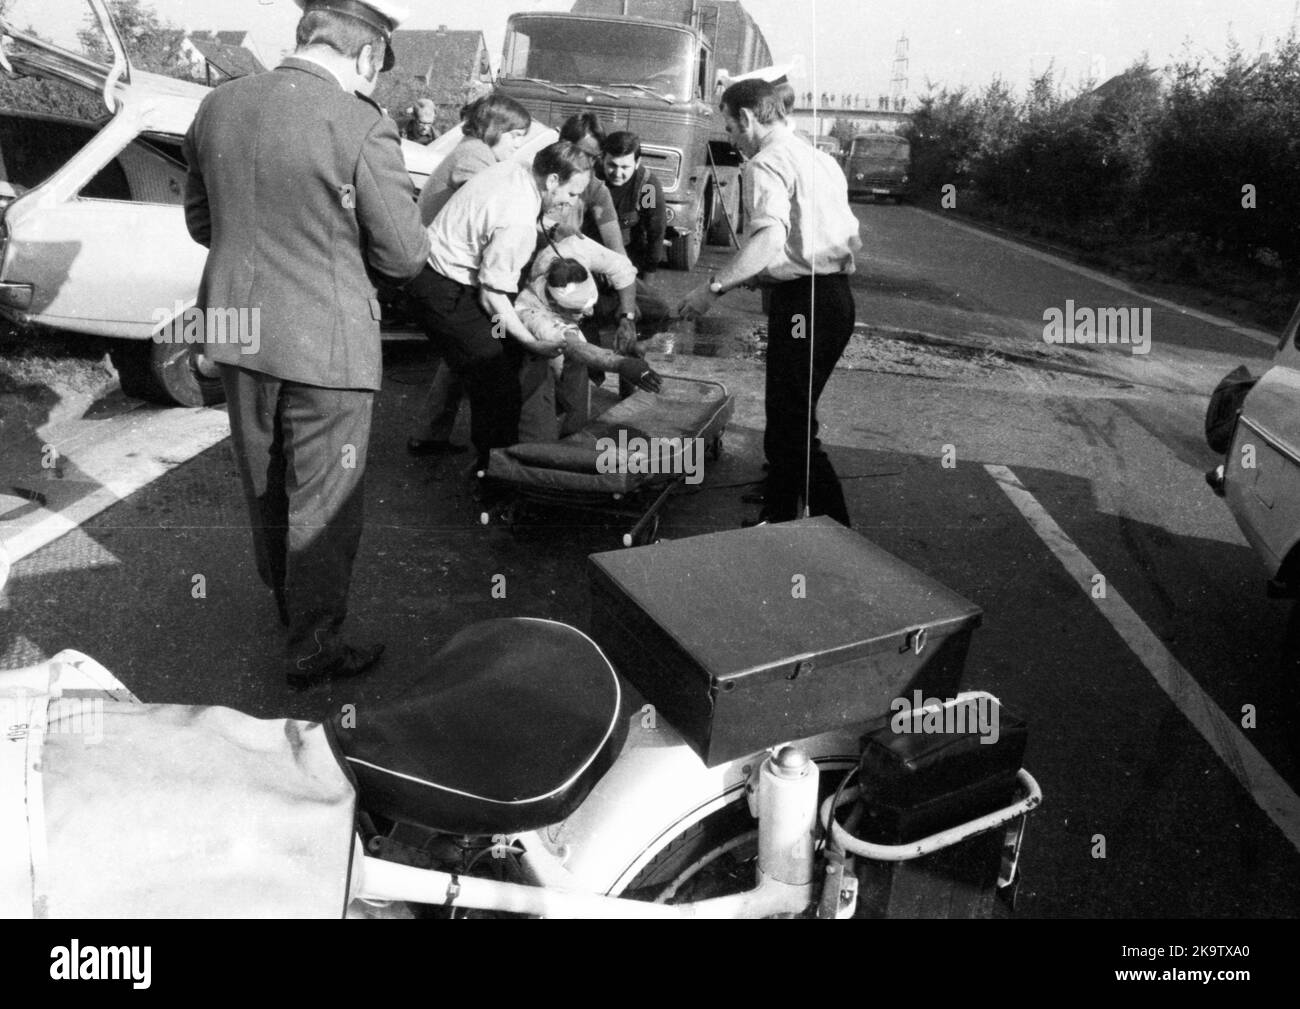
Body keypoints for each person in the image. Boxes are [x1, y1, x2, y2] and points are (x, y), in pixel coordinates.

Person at [183, 0, 431, 689]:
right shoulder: (360, 124)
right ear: (367, 56)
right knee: (324, 496)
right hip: (328, 345)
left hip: (236, 332)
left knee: (262, 479)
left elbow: (204, 222)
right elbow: (405, 255)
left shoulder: (217, 106)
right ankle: (312, 646)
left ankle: (289, 604)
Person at [677, 78, 861, 527]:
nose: (732, 137)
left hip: (804, 304)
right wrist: (767, 272)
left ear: (747, 117)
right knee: (789, 422)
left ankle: (837, 531)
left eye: (731, 126)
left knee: (792, 427)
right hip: (834, 299)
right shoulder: (820, 159)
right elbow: (823, 238)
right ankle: (779, 518)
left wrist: (711, 288)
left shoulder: (766, 162)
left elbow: (770, 237)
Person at [404, 142, 591, 473]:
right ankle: (496, 476)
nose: (572, 202)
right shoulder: (517, 218)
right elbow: (492, 296)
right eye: (572, 193)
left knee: (504, 356)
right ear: (551, 180)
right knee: (496, 380)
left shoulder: (517, 168)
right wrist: (532, 341)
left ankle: (499, 458)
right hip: (444, 291)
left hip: (447, 278)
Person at [408, 95, 532, 458]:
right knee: (491, 362)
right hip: (444, 272)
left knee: (469, 356)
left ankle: (431, 434)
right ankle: (497, 460)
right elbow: (495, 210)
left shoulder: (471, 149)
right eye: (515, 136)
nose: (517, 146)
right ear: (495, 130)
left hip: (438, 269)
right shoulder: (476, 157)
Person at [514, 235, 663, 442]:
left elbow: (622, 267)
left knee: (656, 309)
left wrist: (626, 318)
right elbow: (574, 346)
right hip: (536, 340)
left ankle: (575, 430)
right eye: (582, 310)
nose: (591, 313)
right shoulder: (533, 312)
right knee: (539, 424)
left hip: (566, 325)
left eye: (590, 305)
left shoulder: (572, 248)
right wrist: (621, 364)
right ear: (557, 305)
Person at [598, 131, 672, 335]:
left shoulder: (646, 187)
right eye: (611, 165)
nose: (617, 173)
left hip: (629, 261)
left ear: (637, 163)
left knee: (655, 311)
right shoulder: (590, 180)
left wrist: (646, 284)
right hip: (593, 257)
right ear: (602, 158)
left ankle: (633, 352)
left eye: (625, 167)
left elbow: (655, 233)